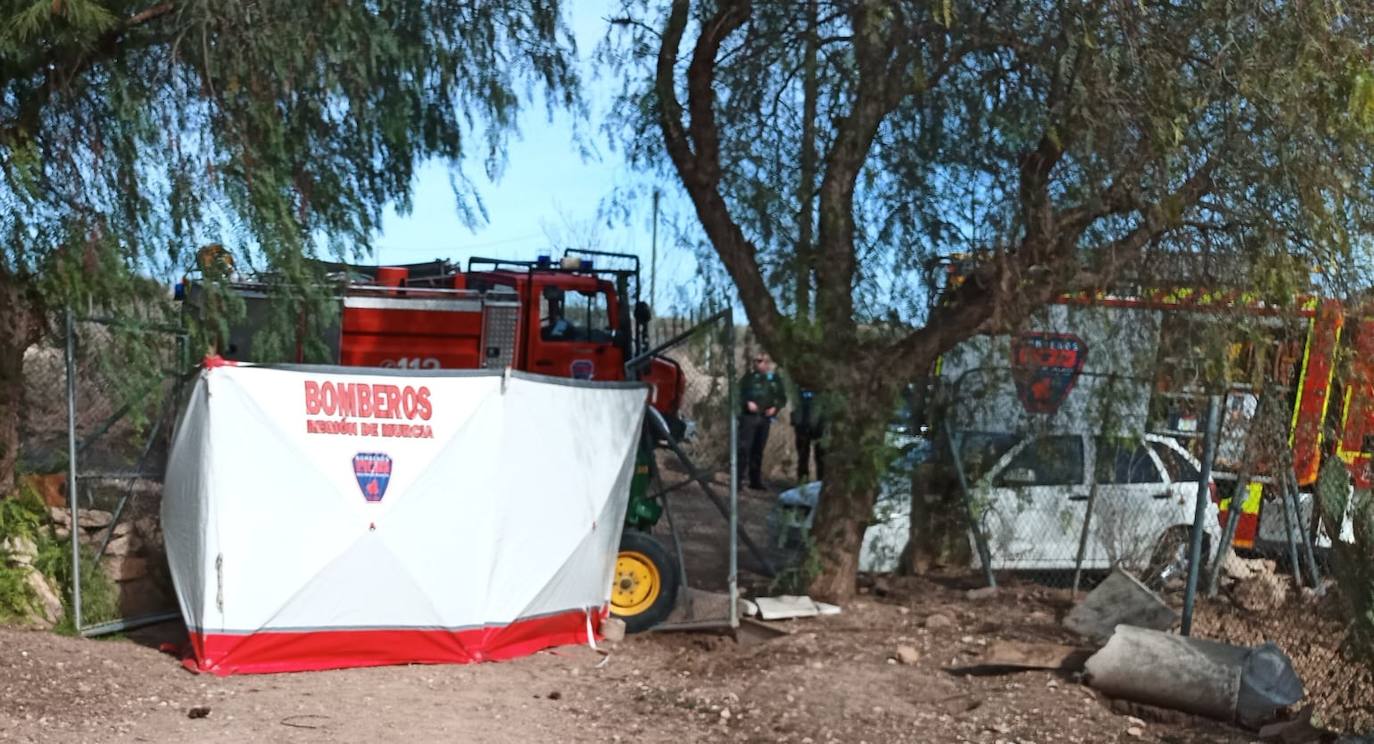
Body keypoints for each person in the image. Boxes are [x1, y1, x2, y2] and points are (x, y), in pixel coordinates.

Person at [738, 352, 786, 490]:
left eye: (762, 361)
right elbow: (738, 394)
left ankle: (755, 481)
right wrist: (747, 402)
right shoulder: (748, 378)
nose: (758, 364)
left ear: (768, 362)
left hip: (764, 418)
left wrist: (775, 408)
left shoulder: (774, 379)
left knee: (758, 449)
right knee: (744, 448)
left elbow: (782, 398)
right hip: (749, 417)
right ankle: (738, 480)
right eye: (756, 361)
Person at [790, 384, 825, 483]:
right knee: (802, 456)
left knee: (821, 456)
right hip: (802, 424)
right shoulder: (798, 385)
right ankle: (803, 482)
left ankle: (820, 482)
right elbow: (795, 403)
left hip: (819, 425)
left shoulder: (823, 385)